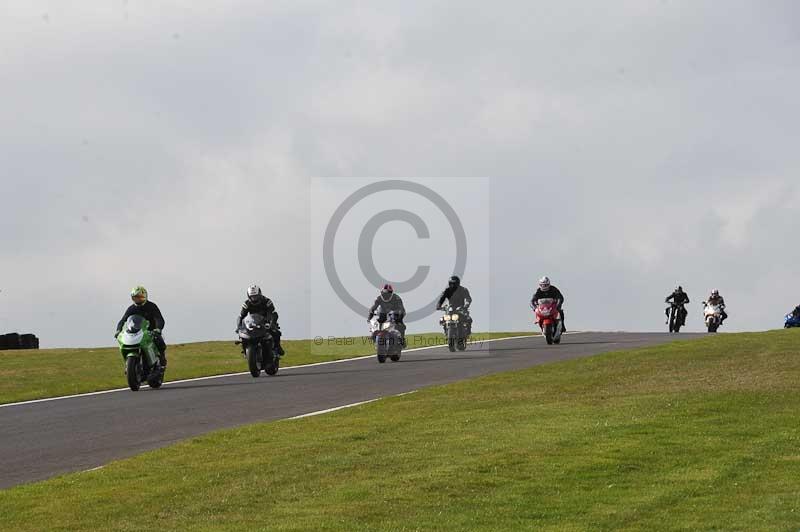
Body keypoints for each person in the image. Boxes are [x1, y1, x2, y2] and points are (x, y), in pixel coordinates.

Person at [116, 286, 167, 369]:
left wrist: (158, 329)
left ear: (145, 296)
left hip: (151, 330)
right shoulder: (131, 308)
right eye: (135, 298)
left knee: (159, 340)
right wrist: (118, 330)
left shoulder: (152, 306)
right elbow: (123, 320)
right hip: (136, 331)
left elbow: (159, 318)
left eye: (140, 297)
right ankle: (129, 365)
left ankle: (162, 359)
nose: (138, 299)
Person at [237, 285, 285, 356]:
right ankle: (245, 351)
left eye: (255, 296)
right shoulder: (246, 304)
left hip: (266, 321)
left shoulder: (267, 301)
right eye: (252, 297)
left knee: (276, 332)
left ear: (259, 294)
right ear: (249, 296)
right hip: (253, 323)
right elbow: (241, 316)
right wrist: (239, 327)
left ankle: (277, 347)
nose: (254, 298)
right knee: (243, 336)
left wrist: (271, 323)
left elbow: (273, 313)